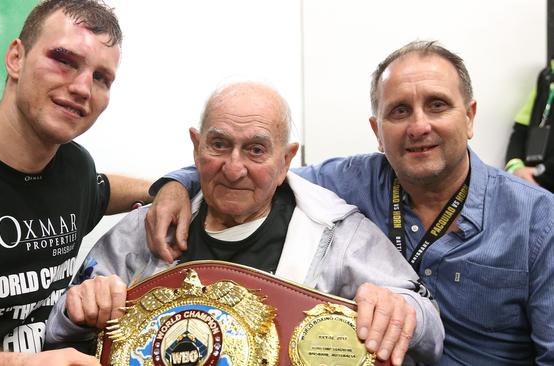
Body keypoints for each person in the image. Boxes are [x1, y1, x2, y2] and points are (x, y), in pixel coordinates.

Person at [146, 41, 554, 365]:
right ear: (377, 131)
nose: (418, 126)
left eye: (437, 105)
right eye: (398, 111)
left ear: (470, 117)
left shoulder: (539, 220)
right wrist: (177, 183)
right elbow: (256, 170)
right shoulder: (347, 180)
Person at [45, 82, 444, 365]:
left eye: (255, 150)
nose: (234, 168)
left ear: (286, 159)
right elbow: (58, 329)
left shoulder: (337, 232)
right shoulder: (145, 228)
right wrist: (79, 308)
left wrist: (400, 308)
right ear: (196, 146)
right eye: (219, 145)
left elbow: (428, 327)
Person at [0, 1, 151, 364]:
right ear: (16, 58)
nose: (83, 87)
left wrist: (170, 187)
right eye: (64, 60)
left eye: (101, 78)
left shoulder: (75, 168)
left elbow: (104, 191)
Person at [505, 62, 554, 192]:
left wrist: (540, 171)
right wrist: (515, 167)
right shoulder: (546, 77)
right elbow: (521, 128)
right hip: (533, 185)